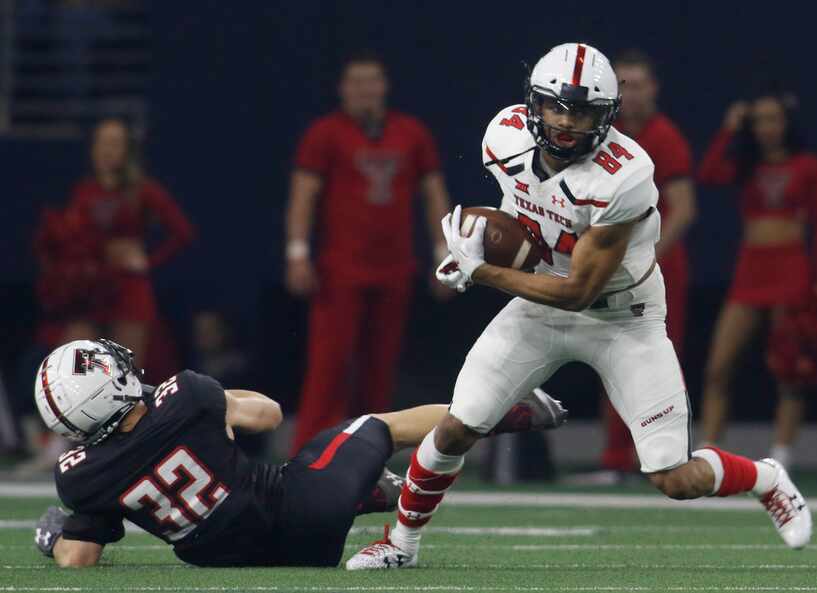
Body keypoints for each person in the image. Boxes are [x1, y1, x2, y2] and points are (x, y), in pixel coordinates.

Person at [346, 43, 812, 570]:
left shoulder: (625, 174)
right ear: (533, 104)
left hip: (621, 317)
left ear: (607, 116)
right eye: (556, 107)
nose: (567, 122)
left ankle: (766, 477)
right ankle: (402, 545)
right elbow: (520, 212)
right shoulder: (505, 135)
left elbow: (579, 293)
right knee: (458, 425)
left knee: (673, 478)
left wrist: (485, 271)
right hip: (538, 302)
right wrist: (477, 250)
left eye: (584, 111)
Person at [32, 338, 566, 568]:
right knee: (379, 425)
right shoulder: (185, 396)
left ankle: (376, 492)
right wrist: (218, 406)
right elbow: (268, 415)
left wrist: (56, 534)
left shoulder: (81, 478)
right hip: (305, 510)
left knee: (316, 469)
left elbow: (80, 559)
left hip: (232, 560)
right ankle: (514, 412)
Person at [285, 51, 453, 455]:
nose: (365, 91)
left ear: (384, 86)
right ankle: (309, 452)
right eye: (356, 82)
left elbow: (433, 195)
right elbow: (303, 195)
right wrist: (297, 252)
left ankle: (365, 454)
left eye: (372, 81)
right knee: (330, 366)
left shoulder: (411, 133)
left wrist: (444, 252)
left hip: (394, 268)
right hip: (340, 269)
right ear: (343, 89)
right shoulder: (324, 133)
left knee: (380, 369)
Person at [697, 91, 817, 468]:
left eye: (773, 119)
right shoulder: (746, 165)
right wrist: (729, 127)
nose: (767, 128)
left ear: (786, 122)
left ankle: (781, 457)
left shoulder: (809, 165)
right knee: (718, 366)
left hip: (792, 271)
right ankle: (710, 454)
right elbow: (709, 173)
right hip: (751, 270)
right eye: (759, 121)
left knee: (790, 368)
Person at [594, 49, 698, 476]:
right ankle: (616, 458)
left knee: (659, 361)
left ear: (654, 89)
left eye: (638, 84)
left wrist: (645, 256)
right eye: (623, 85)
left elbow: (684, 209)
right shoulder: (604, 134)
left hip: (659, 267)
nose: (630, 93)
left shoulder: (664, 135)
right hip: (614, 263)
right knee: (610, 357)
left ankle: (666, 456)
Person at [64, 118, 195, 366]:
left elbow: (182, 232)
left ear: (127, 150)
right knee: (81, 364)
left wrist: (149, 260)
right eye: (102, 143)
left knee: (124, 370)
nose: (107, 150)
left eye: (114, 143)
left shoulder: (142, 190)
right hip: (90, 288)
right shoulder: (84, 191)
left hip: (128, 287)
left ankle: (126, 405)